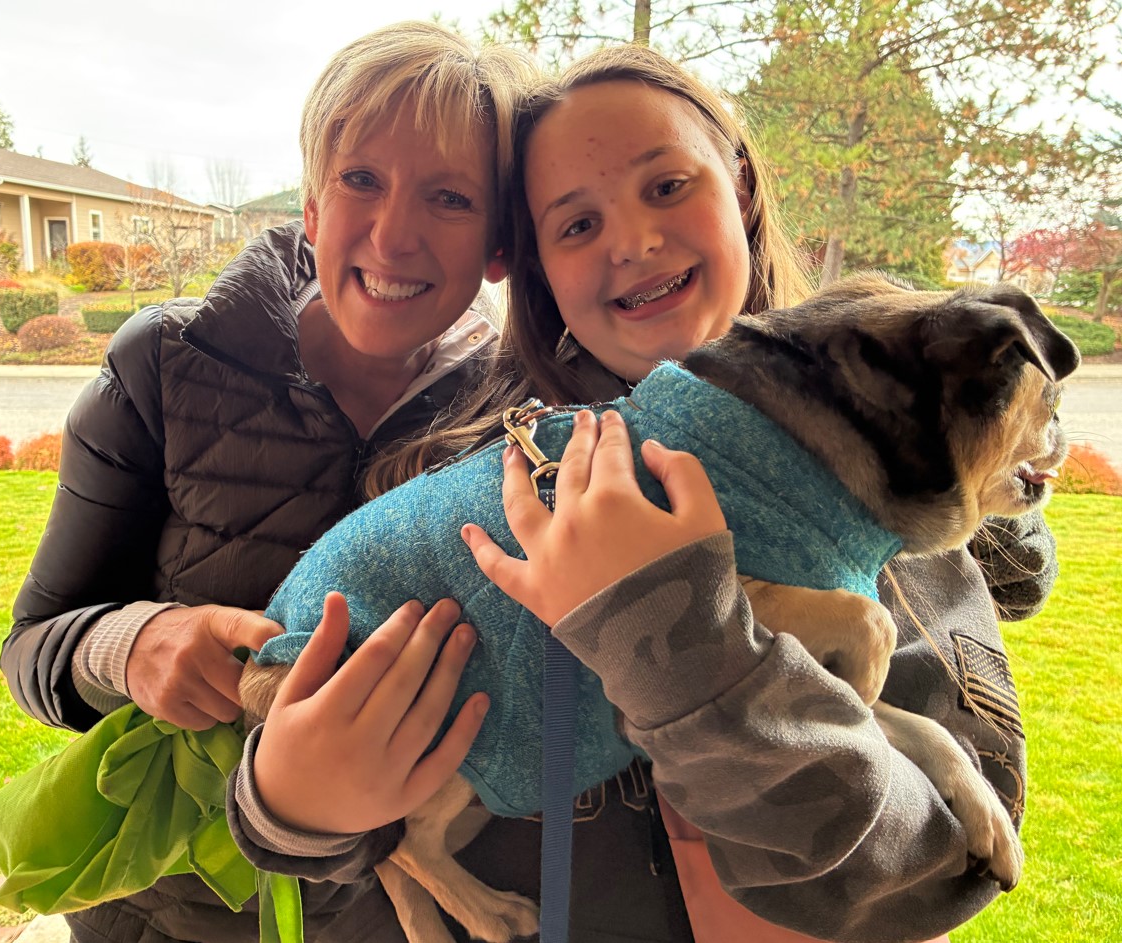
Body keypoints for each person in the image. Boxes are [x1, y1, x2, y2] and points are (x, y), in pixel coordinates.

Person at [230, 44, 1056, 943]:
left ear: (738, 186)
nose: (632, 240)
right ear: (532, 261)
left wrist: (688, 639)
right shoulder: (451, 454)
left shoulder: (891, 525)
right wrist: (284, 806)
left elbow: (922, 879)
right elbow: (316, 810)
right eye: (574, 224)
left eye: (666, 186)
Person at [1, 22, 537, 943]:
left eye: (449, 197)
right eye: (360, 178)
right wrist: (134, 643)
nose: (392, 232)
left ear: (498, 243)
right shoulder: (166, 363)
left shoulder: (529, 416)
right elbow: (32, 650)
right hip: (169, 918)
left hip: (403, 917)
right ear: (313, 207)